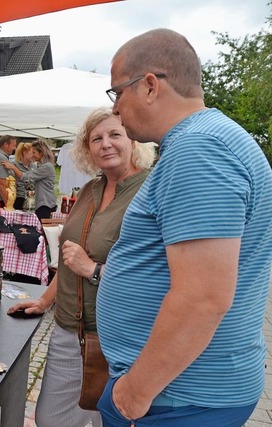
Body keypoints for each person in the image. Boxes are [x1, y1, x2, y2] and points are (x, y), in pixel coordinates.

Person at [96, 29, 272, 427]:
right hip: (184, 392)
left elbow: (203, 298)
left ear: (150, 86)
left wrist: (133, 394)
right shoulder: (212, 140)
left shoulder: (200, 149)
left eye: (116, 93)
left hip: (176, 398)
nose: (117, 108)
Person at [7, 107, 155, 427]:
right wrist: (45, 300)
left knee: (111, 421)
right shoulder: (90, 190)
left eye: (115, 134)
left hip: (117, 339)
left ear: (133, 140)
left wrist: (94, 270)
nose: (105, 144)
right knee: (51, 420)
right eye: (96, 139)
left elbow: (158, 275)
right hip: (68, 332)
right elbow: (70, 259)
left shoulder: (151, 192)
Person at [2, 139, 57, 221]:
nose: (33, 155)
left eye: (34, 152)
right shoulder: (41, 166)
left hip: (45, 204)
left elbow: (26, 177)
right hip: (41, 203)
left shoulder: (47, 167)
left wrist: (13, 167)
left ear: (41, 153)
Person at [13, 142, 34, 210]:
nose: (33, 156)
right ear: (24, 153)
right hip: (19, 198)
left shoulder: (33, 166)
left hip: (31, 198)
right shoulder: (14, 165)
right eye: (32, 153)